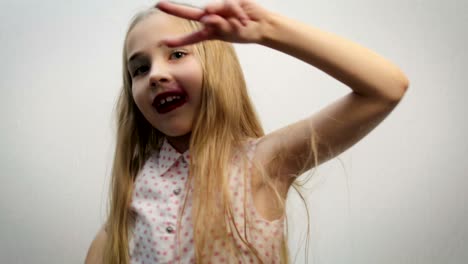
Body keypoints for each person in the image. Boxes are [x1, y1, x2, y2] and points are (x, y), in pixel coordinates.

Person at [85, 0, 409, 263]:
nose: (155, 74)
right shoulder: (134, 185)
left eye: (178, 54)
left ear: (217, 67)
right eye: (139, 69)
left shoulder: (262, 162)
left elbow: (386, 88)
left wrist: (268, 29)